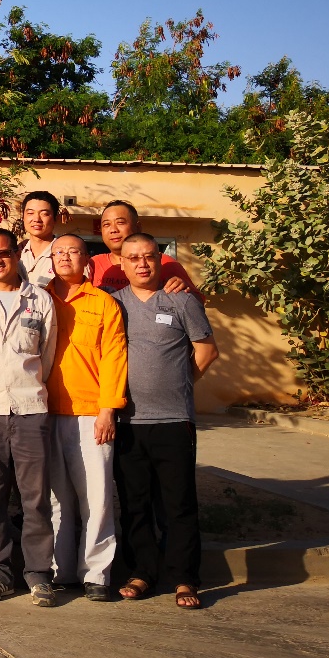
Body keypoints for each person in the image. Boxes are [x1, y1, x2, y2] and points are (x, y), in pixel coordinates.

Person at [113, 233, 219, 610]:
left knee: (178, 504)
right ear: (122, 264)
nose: (142, 264)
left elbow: (206, 350)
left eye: (149, 257)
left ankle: (183, 578)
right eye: (133, 258)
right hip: (127, 423)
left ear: (160, 261)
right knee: (135, 503)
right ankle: (142, 571)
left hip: (174, 420)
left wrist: (181, 384)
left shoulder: (181, 300)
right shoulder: (114, 303)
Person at [0, 227, 59, 607]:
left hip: (30, 410)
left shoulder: (40, 300)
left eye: (3, 253)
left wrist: (30, 388)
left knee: (34, 497)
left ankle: (38, 574)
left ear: (16, 254)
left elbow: (47, 355)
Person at [44, 234, 127, 602]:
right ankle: (59, 570)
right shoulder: (39, 298)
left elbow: (115, 358)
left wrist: (108, 410)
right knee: (54, 499)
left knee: (96, 497)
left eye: (73, 251)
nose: (65, 257)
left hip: (91, 413)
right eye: (58, 252)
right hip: (45, 412)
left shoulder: (104, 303)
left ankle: (96, 573)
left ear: (86, 261)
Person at [92, 201, 201, 298]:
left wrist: (184, 290)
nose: (113, 230)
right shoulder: (93, 264)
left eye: (120, 222)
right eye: (106, 224)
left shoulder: (165, 263)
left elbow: (195, 304)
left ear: (138, 227)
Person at [18, 191, 61, 288]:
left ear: (56, 218)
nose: (36, 219)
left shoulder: (66, 256)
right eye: (30, 213)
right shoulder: (15, 254)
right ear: (23, 217)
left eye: (44, 214)